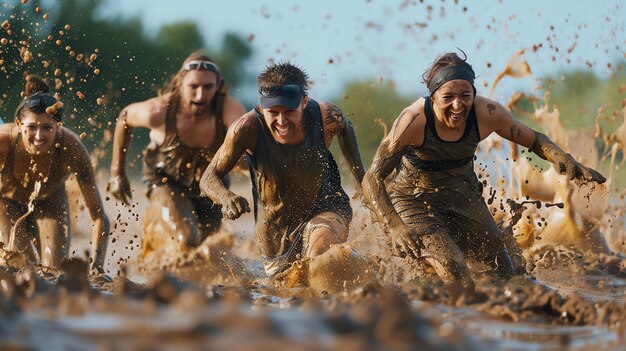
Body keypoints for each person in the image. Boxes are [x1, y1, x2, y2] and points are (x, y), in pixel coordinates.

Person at [362, 52, 606, 284]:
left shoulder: (488, 113)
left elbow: (534, 139)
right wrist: (394, 226)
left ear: (473, 93)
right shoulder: (413, 120)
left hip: (463, 195)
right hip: (414, 200)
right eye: (448, 97)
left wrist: (564, 158)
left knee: (507, 271)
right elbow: (371, 179)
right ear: (434, 96)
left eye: (465, 96)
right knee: (453, 268)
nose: (458, 106)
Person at [200, 62, 365, 277]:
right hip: (274, 231)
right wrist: (226, 197)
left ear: (304, 102)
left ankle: (357, 281)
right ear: (261, 104)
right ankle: (361, 263)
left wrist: (361, 178)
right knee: (290, 286)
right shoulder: (245, 128)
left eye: (289, 111)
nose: (281, 121)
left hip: (326, 205)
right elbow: (208, 178)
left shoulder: (326, 116)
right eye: (273, 112)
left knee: (318, 263)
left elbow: (346, 128)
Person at [108, 52, 245, 254]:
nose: (200, 95)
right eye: (193, 87)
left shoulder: (229, 110)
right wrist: (117, 173)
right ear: (180, 84)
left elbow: (248, 146)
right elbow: (124, 118)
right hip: (165, 180)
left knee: (208, 250)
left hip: (212, 186)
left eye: (208, 87)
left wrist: (244, 164)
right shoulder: (159, 111)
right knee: (187, 239)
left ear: (218, 86)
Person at [0, 75, 109, 274]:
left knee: (54, 273)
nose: (39, 136)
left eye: (47, 127)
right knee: (22, 268)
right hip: (6, 204)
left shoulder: (72, 147)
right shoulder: (4, 141)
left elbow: (99, 216)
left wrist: (98, 267)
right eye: (31, 127)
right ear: (18, 124)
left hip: (50, 203)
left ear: (58, 126)